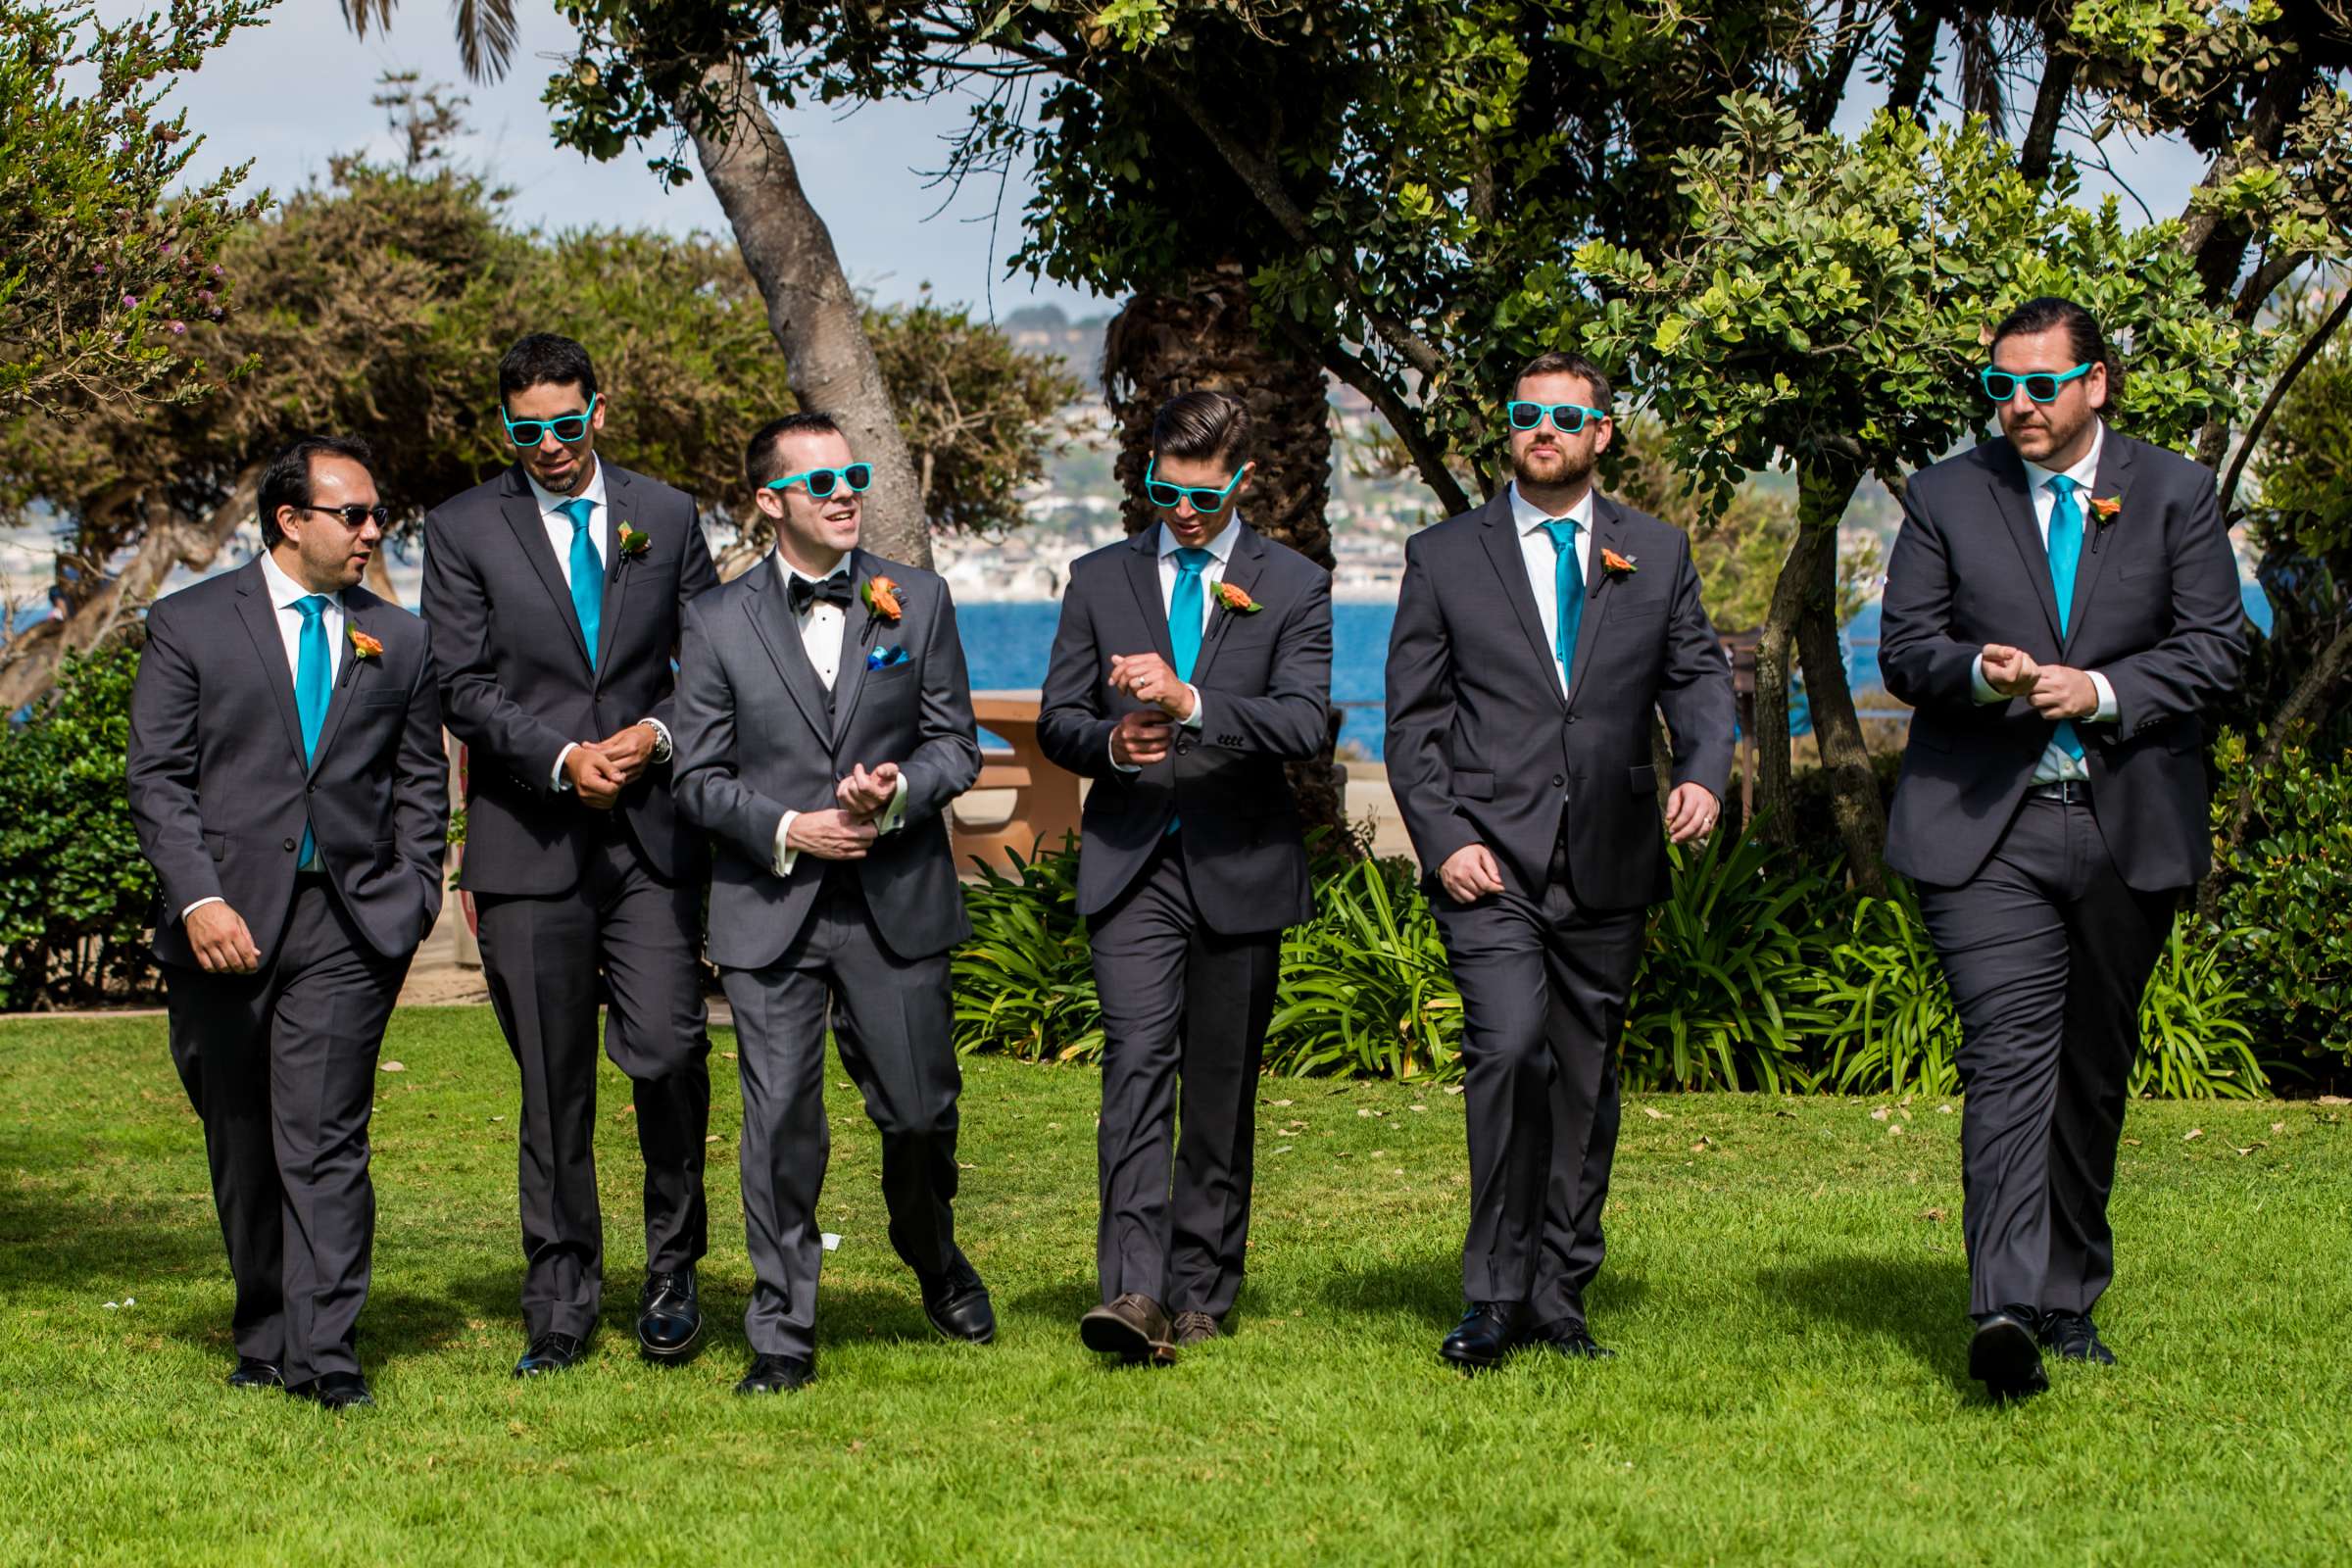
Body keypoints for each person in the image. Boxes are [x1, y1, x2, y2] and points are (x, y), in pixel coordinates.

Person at [1879, 297, 2246, 1400]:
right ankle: (2002, 1307)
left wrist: (2101, 689)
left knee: (2091, 1070)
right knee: (2009, 1055)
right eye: (2002, 386)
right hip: (1986, 830)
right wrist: (1977, 674)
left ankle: (2069, 1297)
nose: (2020, 406)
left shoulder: (2177, 491)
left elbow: (2218, 651)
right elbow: (1905, 648)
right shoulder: (1947, 494)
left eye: (2041, 385)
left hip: (2130, 823)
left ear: (2095, 383)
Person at [1386, 351, 1735, 1372]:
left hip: (1614, 857)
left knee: (1585, 1072)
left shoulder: (1656, 553)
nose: (1544, 428)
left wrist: (1707, 773)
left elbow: (1700, 688)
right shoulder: (1444, 555)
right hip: (1490, 863)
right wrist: (1445, 841)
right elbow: (1412, 726)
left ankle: (1560, 1291)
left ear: (1602, 434)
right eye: (1526, 412)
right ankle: (1493, 1294)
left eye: (1566, 416)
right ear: (1509, 428)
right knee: (1509, 1048)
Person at [126, 434, 448, 1410]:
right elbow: (159, 780)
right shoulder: (188, 624)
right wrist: (200, 898)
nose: (371, 529)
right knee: (241, 1136)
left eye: (375, 512)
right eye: (351, 513)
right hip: (220, 924)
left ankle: (327, 1354)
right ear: (289, 521)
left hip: (349, 926)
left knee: (324, 1139)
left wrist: (415, 890)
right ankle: (264, 1328)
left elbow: (419, 786)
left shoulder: (401, 638)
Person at [672, 413, 990, 1396]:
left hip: (895, 899)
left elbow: (955, 745)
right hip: (773, 908)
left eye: (852, 474)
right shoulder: (715, 622)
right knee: (778, 1127)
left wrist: (897, 794)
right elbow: (697, 778)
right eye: (822, 483)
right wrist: (788, 826)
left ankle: (931, 1251)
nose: (847, 492)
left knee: (920, 1113)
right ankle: (782, 1331)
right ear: (770, 502)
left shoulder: (917, 601)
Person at [419, 334, 719, 1376]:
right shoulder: (462, 527)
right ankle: (561, 1302)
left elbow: (717, 662)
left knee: (672, 1047)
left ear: (599, 408)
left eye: (562, 421)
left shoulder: (670, 514)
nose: (545, 443)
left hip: (650, 840)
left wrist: (659, 733)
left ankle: (675, 1270)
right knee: (553, 1087)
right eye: (524, 428)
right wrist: (559, 756)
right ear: (506, 426)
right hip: (528, 838)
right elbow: (458, 682)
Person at [1038, 390, 1334, 1363]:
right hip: (1133, 864)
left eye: (1205, 492)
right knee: (1134, 1071)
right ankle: (1132, 1287)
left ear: (1242, 479)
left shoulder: (1292, 583)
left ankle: (1202, 1288)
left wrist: (1195, 700)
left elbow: (1303, 722)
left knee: (1218, 1088)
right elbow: (1057, 720)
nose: (1185, 508)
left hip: (1240, 864)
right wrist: (1113, 743)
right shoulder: (1097, 577)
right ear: (1148, 470)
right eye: (1166, 487)